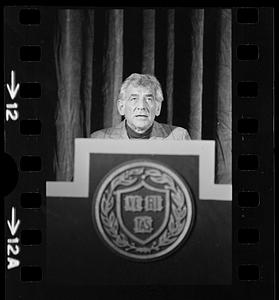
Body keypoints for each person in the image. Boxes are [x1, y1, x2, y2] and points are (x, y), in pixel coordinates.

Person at [90, 73, 191, 140]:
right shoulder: (98, 139)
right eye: (134, 99)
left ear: (158, 108)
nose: (141, 106)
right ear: (121, 107)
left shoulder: (179, 137)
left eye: (148, 99)